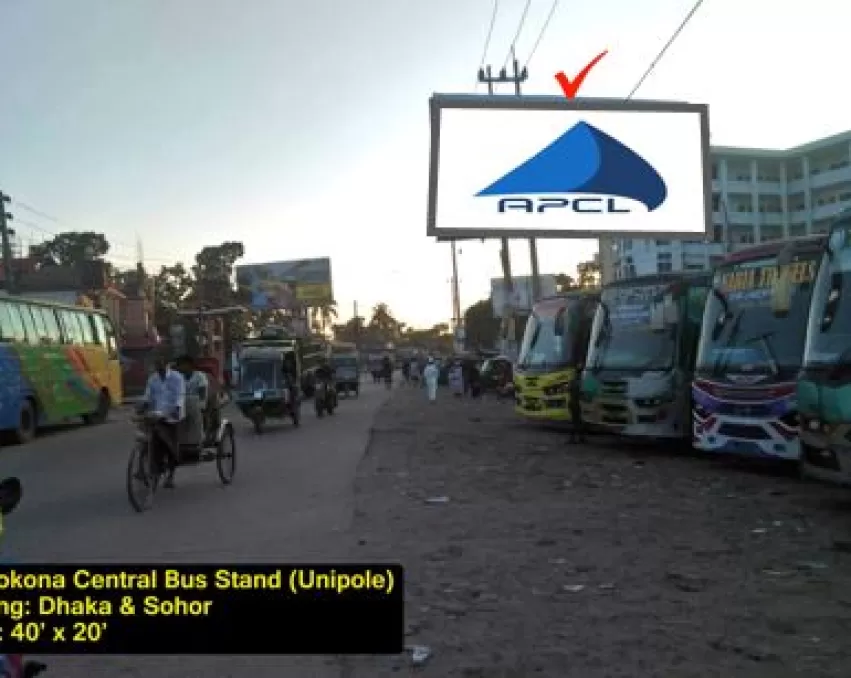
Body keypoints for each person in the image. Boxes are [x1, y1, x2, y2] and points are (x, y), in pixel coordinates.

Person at [140, 353, 186, 488]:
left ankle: (170, 475)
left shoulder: (177, 378)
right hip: (155, 415)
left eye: (161, 362)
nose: (158, 365)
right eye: (156, 363)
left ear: (167, 363)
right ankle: (147, 465)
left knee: (168, 444)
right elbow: (147, 395)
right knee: (146, 436)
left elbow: (180, 396)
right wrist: (143, 404)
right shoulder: (152, 379)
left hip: (172, 416)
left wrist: (176, 409)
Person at [568, 364, 586, 444]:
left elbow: (568, 389)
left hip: (571, 402)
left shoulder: (572, 381)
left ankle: (576, 438)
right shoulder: (581, 382)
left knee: (575, 421)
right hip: (577, 403)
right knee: (578, 422)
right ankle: (578, 438)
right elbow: (582, 393)